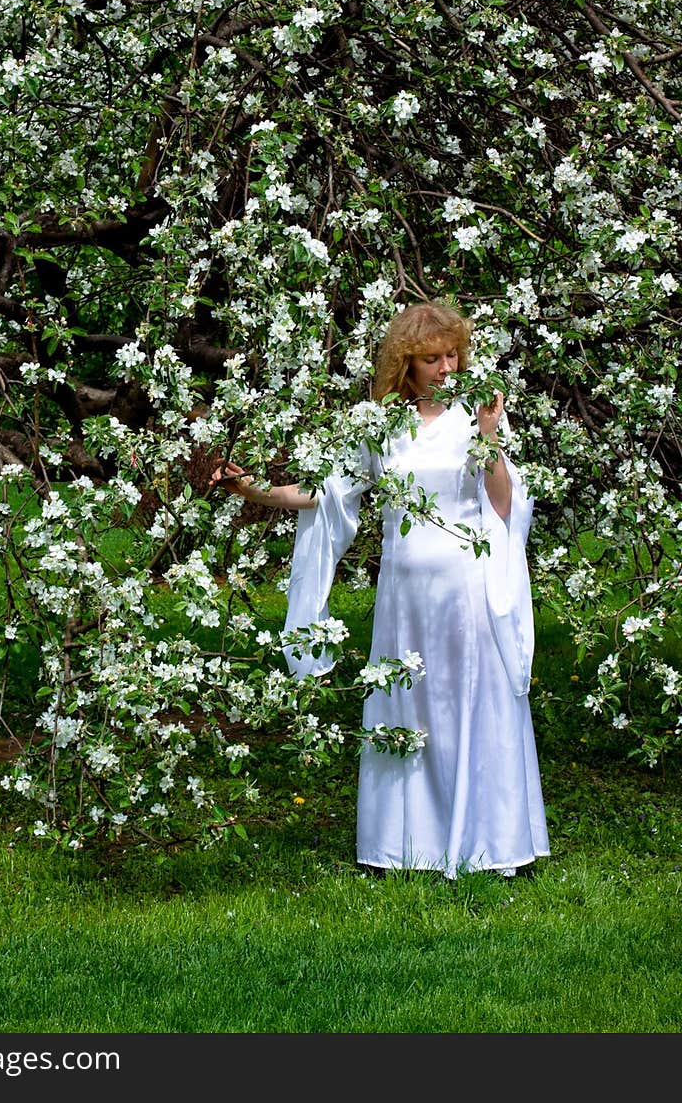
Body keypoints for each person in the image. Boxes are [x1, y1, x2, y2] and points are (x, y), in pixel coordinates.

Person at [211, 300, 550, 879]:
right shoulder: (380, 425)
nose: (446, 368)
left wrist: (491, 438)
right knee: (408, 704)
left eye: (452, 355)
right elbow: (324, 493)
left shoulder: (477, 415)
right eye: (432, 359)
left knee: (467, 703)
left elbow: (504, 505)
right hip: (404, 600)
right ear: (407, 364)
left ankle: (487, 846)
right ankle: (404, 847)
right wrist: (252, 489)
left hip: (467, 592)